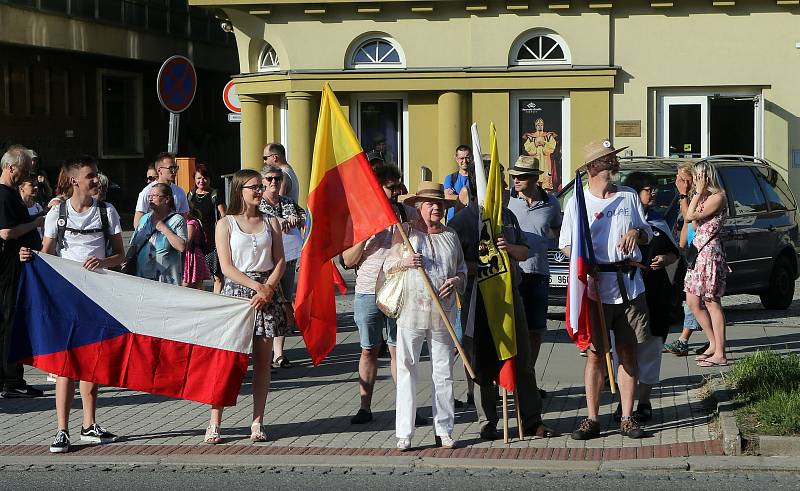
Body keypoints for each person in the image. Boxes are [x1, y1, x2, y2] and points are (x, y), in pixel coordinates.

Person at [20, 155, 125, 453]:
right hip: (66, 297)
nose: (96, 180)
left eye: (97, 175)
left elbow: (121, 254)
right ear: (74, 179)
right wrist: (28, 257)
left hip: (98, 297)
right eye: (90, 175)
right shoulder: (58, 213)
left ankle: (89, 425)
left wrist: (103, 261)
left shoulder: (107, 211)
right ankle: (61, 430)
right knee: (65, 362)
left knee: (93, 360)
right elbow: (46, 254)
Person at [449, 167, 557, 441]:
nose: (506, 191)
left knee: (521, 359)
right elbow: (458, 267)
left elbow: (524, 251)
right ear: (479, 190)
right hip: (478, 300)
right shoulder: (461, 222)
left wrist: (507, 249)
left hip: (511, 296)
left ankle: (531, 420)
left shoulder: (507, 217)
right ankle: (487, 421)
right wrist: (488, 265)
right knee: (483, 361)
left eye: (505, 186)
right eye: (498, 186)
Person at [558, 139, 652, 440]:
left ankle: (626, 416)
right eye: (608, 160)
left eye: (614, 159)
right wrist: (585, 269)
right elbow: (566, 245)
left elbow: (647, 232)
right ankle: (592, 418)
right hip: (595, 288)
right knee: (596, 355)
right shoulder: (578, 202)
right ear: (591, 168)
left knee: (628, 352)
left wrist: (637, 232)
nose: (614, 164)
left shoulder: (628, 196)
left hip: (629, 287)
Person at [205, 169, 287, 444]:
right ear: (240, 189)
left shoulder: (272, 222)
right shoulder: (226, 223)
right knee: (228, 361)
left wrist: (269, 288)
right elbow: (226, 266)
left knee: (263, 363)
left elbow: (280, 261)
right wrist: (256, 288)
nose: (259, 191)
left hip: (266, 293)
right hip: (238, 293)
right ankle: (215, 422)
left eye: (260, 187)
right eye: (254, 187)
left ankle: (257, 421)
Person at [384, 182, 467, 451]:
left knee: (443, 372)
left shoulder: (451, 235)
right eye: (431, 203)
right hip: (411, 312)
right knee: (407, 369)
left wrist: (455, 280)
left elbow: (462, 269)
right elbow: (388, 266)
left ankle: (444, 430)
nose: (436, 207)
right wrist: (405, 262)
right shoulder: (406, 233)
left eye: (440, 204)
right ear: (418, 206)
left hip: (443, 314)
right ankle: (404, 433)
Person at [341, 164, 414, 425]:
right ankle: (365, 407)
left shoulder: (406, 213)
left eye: (398, 186)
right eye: (390, 186)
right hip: (367, 291)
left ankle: (405, 408)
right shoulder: (359, 216)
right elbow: (348, 260)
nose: (396, 191)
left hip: (398, 289)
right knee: (368, 350)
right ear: (377, 188)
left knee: (398, 350)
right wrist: (366, 236)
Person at [613, 171, 679, 422]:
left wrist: (666, 259)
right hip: (626, 292)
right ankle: (623, 402)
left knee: (651, 348)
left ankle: (644, 401)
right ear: (633, 193)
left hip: (654, 294)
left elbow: (674, 254)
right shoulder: (619, 221)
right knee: (623, 348)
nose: (653, 193)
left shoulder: (658, 221)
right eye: (648, 189)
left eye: (654, 189)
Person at [507, 155, 562, 392]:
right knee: (511, 330)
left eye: (521, 177)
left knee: (535, 329)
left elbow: (559, 231)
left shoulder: (551, 203)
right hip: (512, 273)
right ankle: (510, 382)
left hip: (538, 272)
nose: (516, 180)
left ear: (534, 179)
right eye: (514, 176)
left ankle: (527, 379)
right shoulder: (508, 202)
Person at [0, 146, 44, 399]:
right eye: (25, 169)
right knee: (10, 320)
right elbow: (6, 232)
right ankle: (10, 380)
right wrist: (35, 222)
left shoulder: (10, 194)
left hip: (15, 264)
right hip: (9, 267)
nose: (28, 174)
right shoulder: (4, 195)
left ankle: (10, 378)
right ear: (10, 168)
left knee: (9, 320)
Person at [258, 164, 305, 369]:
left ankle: (279, 353)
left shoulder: (288, 202)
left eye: (277, 178)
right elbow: (258, 221)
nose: (274, 182)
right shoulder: (258, 203)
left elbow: (306, 217)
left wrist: (298, 218)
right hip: (265, 262)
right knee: (268, 304)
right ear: (262, 182)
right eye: (269, 179)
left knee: (284, 302)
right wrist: (279, 221)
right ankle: (263, 353)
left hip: (288, 258)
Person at [684, 162, 728, 368]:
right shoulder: (703, 197)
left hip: (710, 253)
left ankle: (720, 352)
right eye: (696, 176)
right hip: (698, 253)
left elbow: (690, 216)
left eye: (700, 175)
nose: (697, 179)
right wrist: (697, 195)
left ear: (708, 176)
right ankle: (712, 343)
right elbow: (692, 223)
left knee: (711, 301)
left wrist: (697, 194)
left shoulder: (718, 197)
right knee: (692, 301)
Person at [663, 162, 707, 357]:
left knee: (698, 299)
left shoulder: (698, 197)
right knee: (696, 299)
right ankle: (702, 339)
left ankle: (690, 340)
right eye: (677, 179)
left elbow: (688, 217)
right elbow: (685, 227)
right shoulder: (691, 196)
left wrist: (682, 194)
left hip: (701, 252)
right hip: (690, 251)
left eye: (683, 179)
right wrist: (681, 247)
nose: (678, 183)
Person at [130, 183, 187, 285]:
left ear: (167, 199)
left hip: (167, 283)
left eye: (155, 196)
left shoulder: (177, 220)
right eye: (149, 196)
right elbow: (134, 245)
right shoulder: (144, 219)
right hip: (143, 281)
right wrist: (125, 263)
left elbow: (182, 247)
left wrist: (164, 229)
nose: (150, 199)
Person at [187, 164, 227, 293]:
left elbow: (224, 215)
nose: (201, 181)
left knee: (217, 275)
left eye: (204, 178)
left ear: (209, 179)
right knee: (197, 276)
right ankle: (202, 301)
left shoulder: (215, 194)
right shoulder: (190, 195)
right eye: (198, 178)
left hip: (212, 241)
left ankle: (216, 301)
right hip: (197, 242)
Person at [133, 152, 189, 228]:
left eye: (176, 168)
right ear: (159, 170)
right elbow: (138, 221)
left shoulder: (180, 192)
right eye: (171, 168)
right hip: (153, 237)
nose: (174, 171)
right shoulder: (147, 191)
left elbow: (184, 218)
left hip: (173, 237)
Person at [522, 118, 558, 190]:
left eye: (541, 125)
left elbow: (552, 147)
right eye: (538, 125)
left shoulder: (548, 136)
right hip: (535, 160)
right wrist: (535, 143)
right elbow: (527, 148)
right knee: (535, 178)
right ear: (535, 126)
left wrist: (544, 143)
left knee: (545, 179)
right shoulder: (531, 137)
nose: (540, 126)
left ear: (543, 126)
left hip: (545, 162)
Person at [182, 202, 212, 289]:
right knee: (196, 284)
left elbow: (188, 242)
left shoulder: (191, 223)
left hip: (192, 255)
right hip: (194, 254)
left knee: (189, 284)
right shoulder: (194, 221)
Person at [442, 145, 472, 222]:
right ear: (456, 159)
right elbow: (447, 197)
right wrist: (469, 199)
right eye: (461, 158)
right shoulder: (450, 178)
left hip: (471, 222)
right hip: (453, 221)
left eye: (467, 157)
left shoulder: (475, 179)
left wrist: (456, 197)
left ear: (471, 158)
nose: (464, 161)